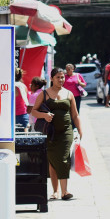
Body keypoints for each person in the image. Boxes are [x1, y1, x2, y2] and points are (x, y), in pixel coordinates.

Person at [31, 67, 83, 201]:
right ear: (52, 79)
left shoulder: (69, 93)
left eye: (62, 77)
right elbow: (33, 111)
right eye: (58, 77)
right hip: (50, 132)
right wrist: (44, 115)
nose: (61, 80)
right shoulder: (44, 94)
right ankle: (55, 191)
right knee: (53, 161)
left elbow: (75, 115)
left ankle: (65, 192)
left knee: (64, 158)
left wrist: (80, 131)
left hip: (66, 131)